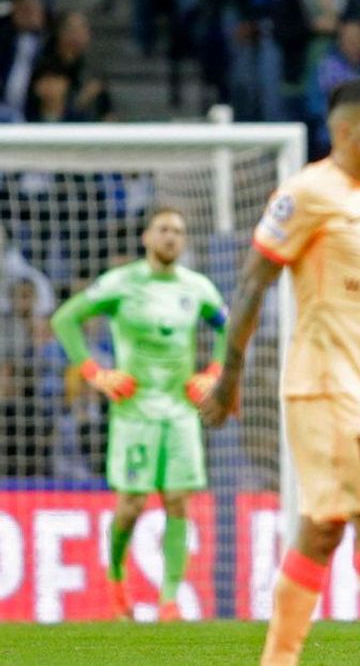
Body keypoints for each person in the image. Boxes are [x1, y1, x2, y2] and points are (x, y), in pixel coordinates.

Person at [200, 78, 360, 666]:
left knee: (324, 527)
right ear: (344, 130)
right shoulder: (306, 192)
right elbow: (253, 282)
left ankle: (277, 659)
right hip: (325, 386)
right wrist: (230, 377)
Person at [49, 207, 226, 622]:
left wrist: (214, 373)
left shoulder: (197, 288)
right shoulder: (121, 283)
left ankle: (168, 601)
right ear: (147, 237)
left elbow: (227, 328)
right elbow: (65, 318)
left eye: (179, 231)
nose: (171, 237)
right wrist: (95, 373)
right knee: (131, 505)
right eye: (164, 229)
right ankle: (115, 577)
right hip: (134, 412)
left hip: (180, 411)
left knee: (178, 501)